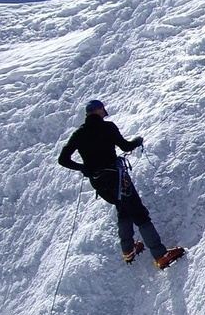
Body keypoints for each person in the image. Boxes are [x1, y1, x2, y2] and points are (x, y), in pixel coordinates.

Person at [58, 99, 186, 269]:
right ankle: (160, 255)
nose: (105, 112)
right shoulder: (108, 127)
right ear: (98, 110)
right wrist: (138, 141)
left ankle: (128, 250)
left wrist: (83, 168)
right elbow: (125, 147)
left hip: (98, 182)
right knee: (139, 213)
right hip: (117, 179)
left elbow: (63, 160)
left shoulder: (78, 134)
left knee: (123, 210)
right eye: (103, 109)